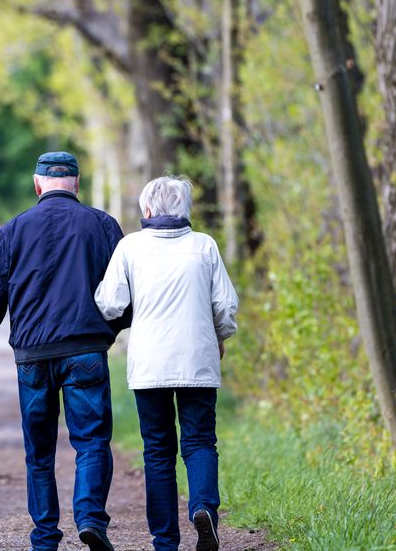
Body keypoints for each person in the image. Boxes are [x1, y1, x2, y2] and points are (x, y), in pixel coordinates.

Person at [0, 151, 130, 551]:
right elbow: (126, 290)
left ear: (37, 184)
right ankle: (91, 518)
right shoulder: (103, 225)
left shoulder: (14, 229)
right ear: (76, 183)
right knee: (91, 441)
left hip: (32, 356)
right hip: (86, 350)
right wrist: (109, 331)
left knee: (39, 450)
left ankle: (44, 537)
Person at [93, 176, 238, 551]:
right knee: (200, 441)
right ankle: (203, 508)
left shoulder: (130, 247)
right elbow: (224, 305)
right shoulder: (204, 246)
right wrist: (220, 337)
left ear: (147, 210)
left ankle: (165, 540)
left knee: (158, 451)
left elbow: (110, 303)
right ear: (184, 208)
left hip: (150, 364)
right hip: (197, 359)